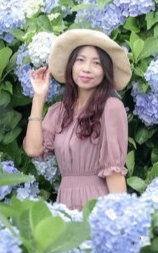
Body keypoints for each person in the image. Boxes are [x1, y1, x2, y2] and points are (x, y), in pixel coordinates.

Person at [22, 28, 132, 211]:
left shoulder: (111, 107)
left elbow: (114, 172)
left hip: (97, 203)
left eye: (96, 63)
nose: (86, 69)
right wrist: (39, 97)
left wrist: (121, 220)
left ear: (105, 71)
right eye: (80, 60)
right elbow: (33, 149)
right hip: (65, 202)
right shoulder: (59, 112)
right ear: (71, 66)